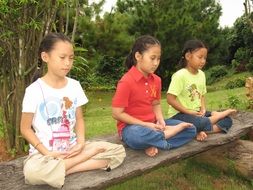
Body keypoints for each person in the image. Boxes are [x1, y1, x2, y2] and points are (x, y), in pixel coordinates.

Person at [20, 33, 126, 188]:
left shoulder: (74, 85)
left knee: (118, 151)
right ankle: (78, 163)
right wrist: (46, 152)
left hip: (72, 148)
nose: (67, 63)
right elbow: (25, 128)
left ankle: (63, 170)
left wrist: (81, 143)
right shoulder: (33, 91)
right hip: (44, 156)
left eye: (71, 58)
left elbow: (79, 119)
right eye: (62, 57)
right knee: (32, 173)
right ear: (45, 57)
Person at [112, 35, 196, 157]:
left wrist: (161, 120)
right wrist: (146, 125)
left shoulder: (156, 80)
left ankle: (155, 142)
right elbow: (116, 113)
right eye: (152, 58)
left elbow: (155, 103)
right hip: (132, 128)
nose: (156, 63)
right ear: (138, 56)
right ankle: (163, 137)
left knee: (191, 129)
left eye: (158, 59)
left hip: (154, 125)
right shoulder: (126, 82)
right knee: (138, 136)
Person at [166, 39, 236, 141]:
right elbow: (170, 99)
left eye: (205, 58)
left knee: (228, 120)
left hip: (197, 113)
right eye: (200, 57)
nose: (203, 61)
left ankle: (197, 131)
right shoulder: (180, 75)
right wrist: (189, 112)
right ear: (188, 56)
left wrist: (203, 109)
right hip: (179, 115)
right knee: (200, 122)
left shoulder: (202, 75)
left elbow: (202, 95)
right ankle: (213, 119)